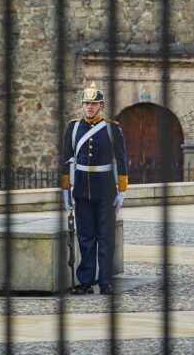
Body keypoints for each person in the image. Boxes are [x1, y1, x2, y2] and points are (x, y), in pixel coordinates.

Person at [61, 81, 128, 295]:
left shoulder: (112, 128)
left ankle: (105, 281)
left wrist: (122, 189)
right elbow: (65, 159)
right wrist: (65, 190)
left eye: (94, 103)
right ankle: (86, 281)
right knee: (85, 238)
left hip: (105, 191)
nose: (89, 107)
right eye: (86, 103)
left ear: (102, 105)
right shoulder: (73, 127)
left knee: (106, 237)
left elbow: (122, 159)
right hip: (81, 190)